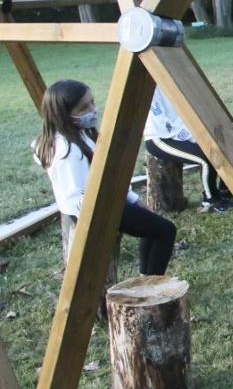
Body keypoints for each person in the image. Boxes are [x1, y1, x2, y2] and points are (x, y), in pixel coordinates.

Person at [33, 80, 176, 276]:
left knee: (155, 227)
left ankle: (147, 278)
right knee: (166, 230)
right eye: (84, 108)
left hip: (107, 201)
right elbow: (76, 197)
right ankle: (152, 281)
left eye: (92, 102)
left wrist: (134, 202)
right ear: (63, 114)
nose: (92, 110)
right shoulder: (67, 151)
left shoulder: (78, 135)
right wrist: (102, 223)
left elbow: (108, 178)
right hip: (98, 210)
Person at [145, 85, 233, 213]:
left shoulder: (171, 83)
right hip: (158, 138)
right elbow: (162, 121)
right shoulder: (153, 87)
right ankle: (210, 200)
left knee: (219, 146)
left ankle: (225, 191)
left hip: (176, 130)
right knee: (205, 158)